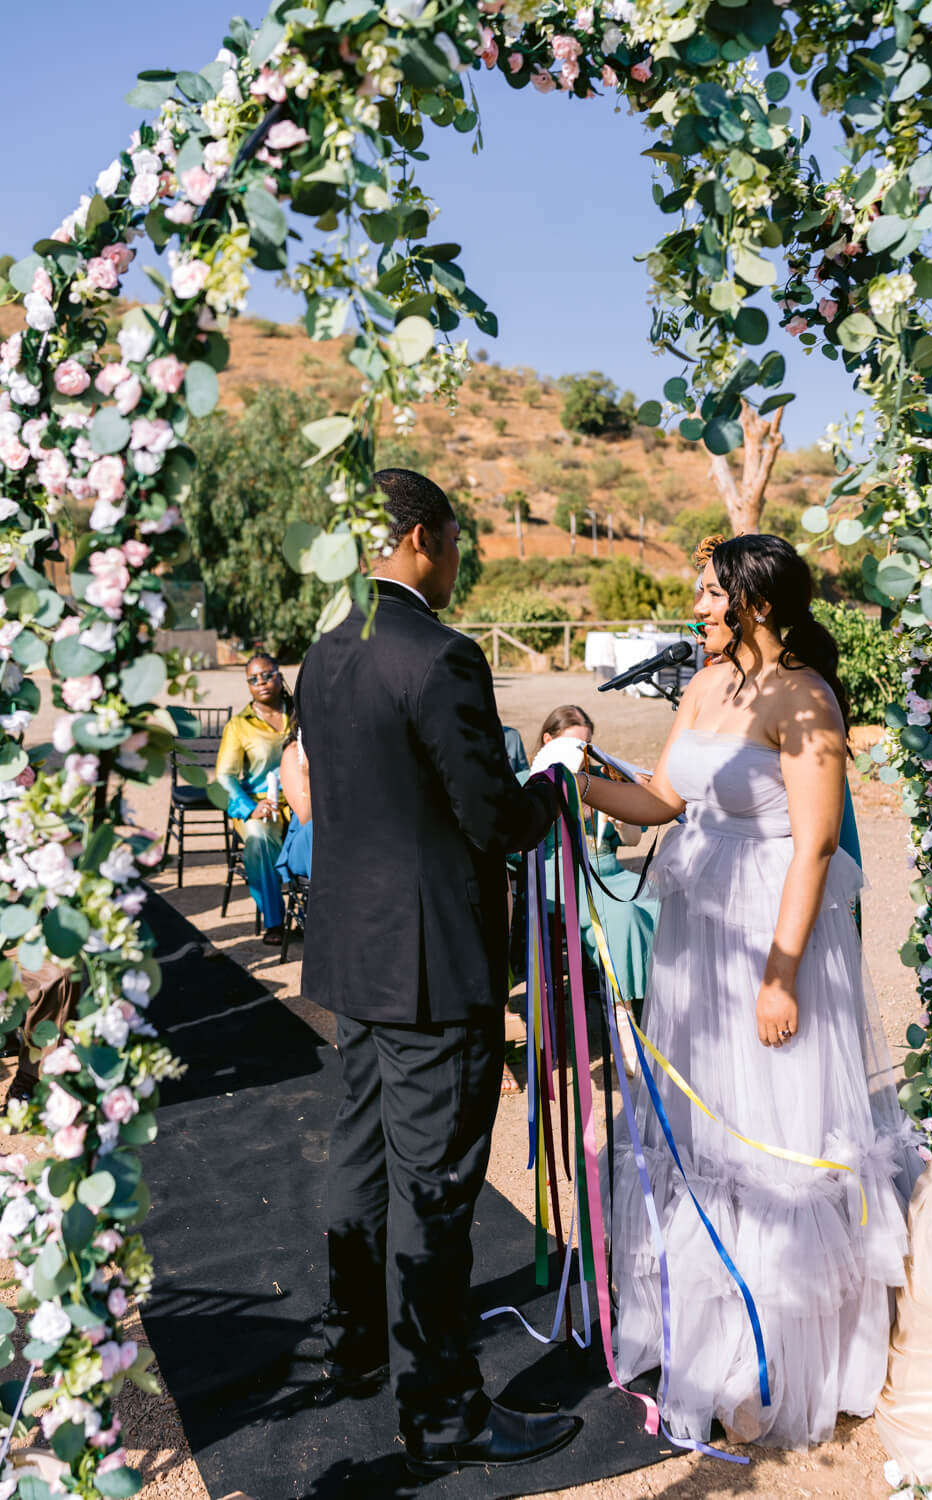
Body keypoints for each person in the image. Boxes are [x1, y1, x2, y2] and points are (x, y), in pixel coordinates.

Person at [578, 534, 918, 1449]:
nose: (697, 604)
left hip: (773, 932)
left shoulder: (806, 699)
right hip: (701, 939)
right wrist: (581, 772)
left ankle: (778, 1359)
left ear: (756, 603)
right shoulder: (706, 684)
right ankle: (705, 1332)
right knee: (706, 1124)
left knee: (772, 1134)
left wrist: (781, 975)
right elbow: (660, 796)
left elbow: (813, 845)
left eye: (710, 592)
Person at [294, 468, 581, 1475]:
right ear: (420, 538)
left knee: (358, 1159)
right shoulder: (442, 655)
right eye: (456, 539)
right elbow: (493, 820)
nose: (460, 559)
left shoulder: (323, 651)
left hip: (351, 949)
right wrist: (556, 781)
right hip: (429, 962)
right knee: (436, 1190)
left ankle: (352, 1350)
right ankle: (446, 1412)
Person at [528, 704, 659, 1025]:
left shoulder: (598, 779)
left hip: (610, 871)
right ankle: (624, 1015)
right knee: (622, 914)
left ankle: (665, 998)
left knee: (664, 901)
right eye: (573, 746)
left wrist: (620, 820)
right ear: (549, 741)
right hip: (562, 877)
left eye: (586, 747)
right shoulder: (530, 781)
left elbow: (631, 841)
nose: (581, 756)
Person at [215, 653, 292, 945]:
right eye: (253, 678)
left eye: (267, 675)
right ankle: (275, 921)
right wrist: (250, 808)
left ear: (279, 674)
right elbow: (224, 777)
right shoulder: (239, 725)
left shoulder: (299, 711)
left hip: (301, 800)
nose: (261, 682)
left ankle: (317, 915)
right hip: (260, 803)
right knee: (259, 839)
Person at [275, 723, 312, 886]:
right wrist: (306, 774)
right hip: (307, 837)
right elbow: (306, 817)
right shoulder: (294, 751)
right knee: (316, 829)